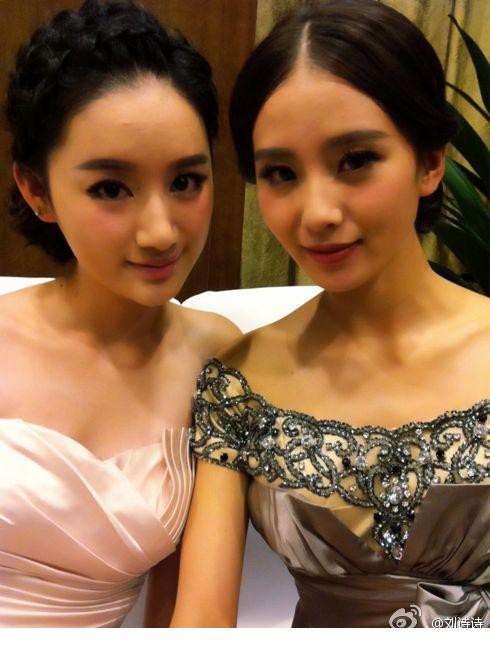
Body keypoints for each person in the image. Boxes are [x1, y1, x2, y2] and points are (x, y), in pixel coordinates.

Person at [171, 0, 489, 628]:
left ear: (430, 161)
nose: (316, 213)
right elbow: (201, 622)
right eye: (280, 173)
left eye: (355, 160)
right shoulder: (238, 384)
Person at [0, 0, 239, 628]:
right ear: (37, 189)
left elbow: (183, 609)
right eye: (111, 188)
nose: (161, 233)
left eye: (186, 182)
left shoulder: (218, 356)